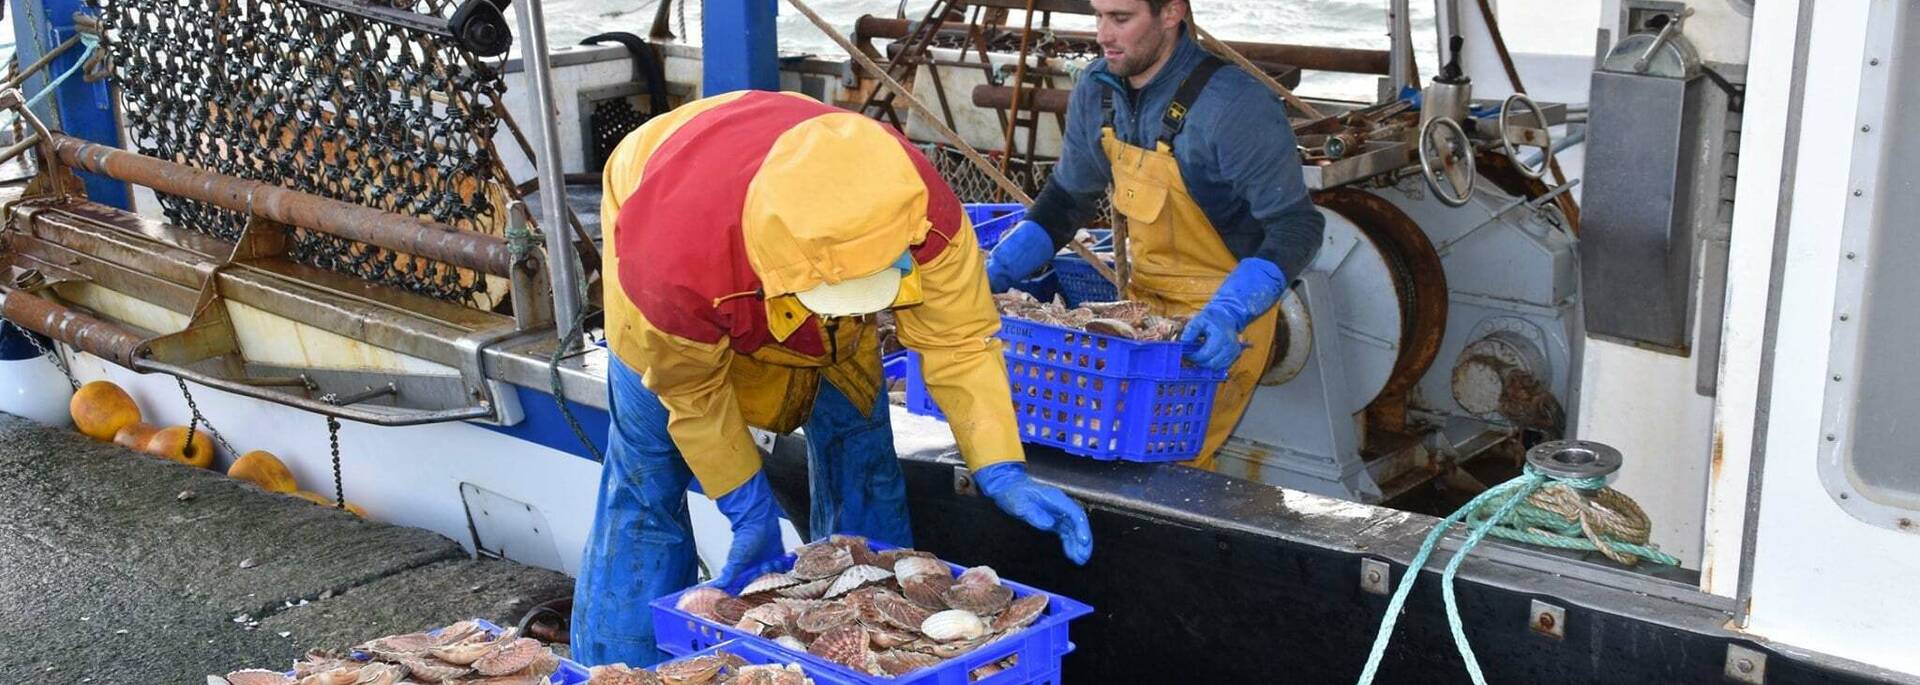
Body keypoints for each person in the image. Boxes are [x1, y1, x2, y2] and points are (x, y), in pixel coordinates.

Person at [571, 90, 1095, 666]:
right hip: (675, 232)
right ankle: (616, 666)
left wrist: (999, 466)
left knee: (864, 459)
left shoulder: (921, 209)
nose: (846, 311)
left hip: (794, 225)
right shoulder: (668, 264)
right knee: (647, 481)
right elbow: (691, 392)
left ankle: (874, 661)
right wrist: (748, 509)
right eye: (834, 300)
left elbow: (960, 339)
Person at [983, 0, 1324, 469]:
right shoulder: (1097, 91)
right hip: (1137, 312)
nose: (1103, 35)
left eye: (1121, 19)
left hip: (1217, 322)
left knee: (1161, 463)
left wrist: (1229, 313)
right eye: (1098, 16)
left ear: (1171, 14)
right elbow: (1067, 200)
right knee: (1079, 445)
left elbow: (1297, 226)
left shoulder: (1234, 107)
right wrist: (997, 269)